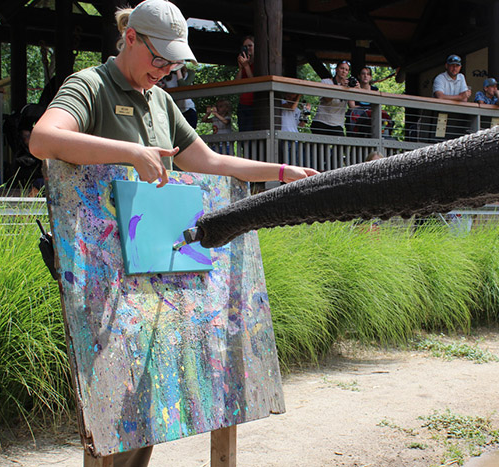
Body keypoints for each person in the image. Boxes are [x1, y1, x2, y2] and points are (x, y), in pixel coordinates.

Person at [29, 3, 317, 463]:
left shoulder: (160, 99)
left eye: (173, 63)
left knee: (146, 408)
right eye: (159, 59)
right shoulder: (90, 85)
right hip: (105, 281)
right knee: (114, 418)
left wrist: (281, 171)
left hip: (156, 273)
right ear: (130, 40)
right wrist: (130, 152)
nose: (165, 71)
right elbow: (43, 139)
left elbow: (210, 161)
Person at [311, 61, 350, 136]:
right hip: (322, 121)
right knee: (318, 147)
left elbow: (352, 105)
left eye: (346, 70)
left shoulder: (348, 86)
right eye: (342, 68)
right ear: (336, 69)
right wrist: (340, 87)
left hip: (337, 124)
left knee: (341, 147)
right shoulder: (326, 82)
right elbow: (327, 99)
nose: (343, 71)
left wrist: (357, 88)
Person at [235, 35, 255, 131]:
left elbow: (254, 82)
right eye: (245, 47)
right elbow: (237, 83)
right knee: (243, 132)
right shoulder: (244, 65)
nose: (248, 48)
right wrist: (241, 68)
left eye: (250, 46)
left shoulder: (260, 63)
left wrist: (246, 66)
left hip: (254, 104)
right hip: (243, 103)